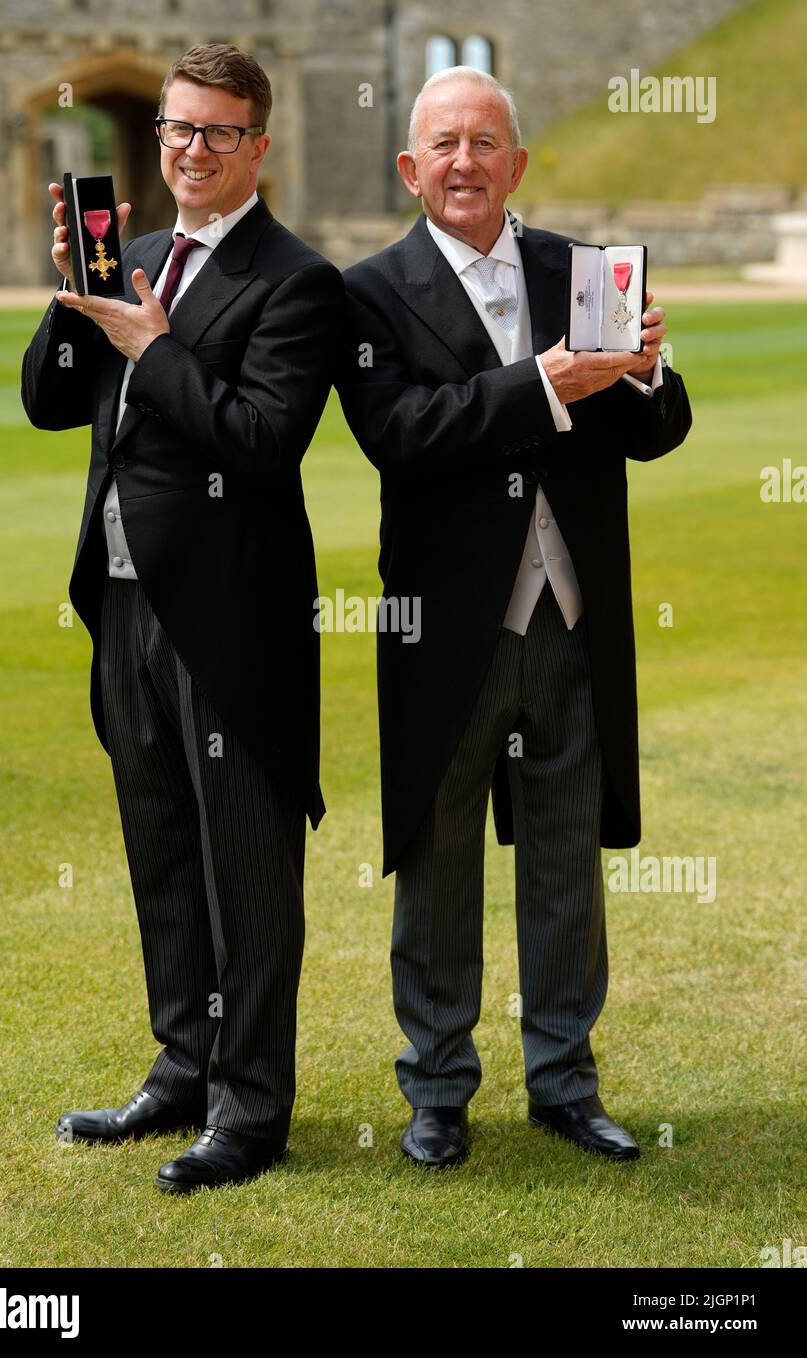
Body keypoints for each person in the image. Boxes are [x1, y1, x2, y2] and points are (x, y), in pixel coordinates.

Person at [336, 66, 692, 1169]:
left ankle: (564, 1081)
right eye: (442, 144)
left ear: (518, 164)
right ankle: (437, 1087)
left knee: (564, 853)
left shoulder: (582, 270)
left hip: (569, 617)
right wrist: (543, 386)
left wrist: (642, 371)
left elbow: (659, 430)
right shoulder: (371, 292)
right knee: (439, 859)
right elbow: (399, 432)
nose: (463, 162)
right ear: (410, 166)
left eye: (485, 143)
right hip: (448, 627)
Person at [21, 43, 343, 1192]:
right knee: (160, 850)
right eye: (173, 128)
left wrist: (152, 348)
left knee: (246, 869)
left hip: (230, 619)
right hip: (119, 605)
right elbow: (52, 405)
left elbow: (260, 441)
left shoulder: (299, 281)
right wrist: (72, 297)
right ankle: (184, 1064)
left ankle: (251, 1108)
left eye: (214, 133)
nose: (188, 150)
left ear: (259, 145)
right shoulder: (139, 253)